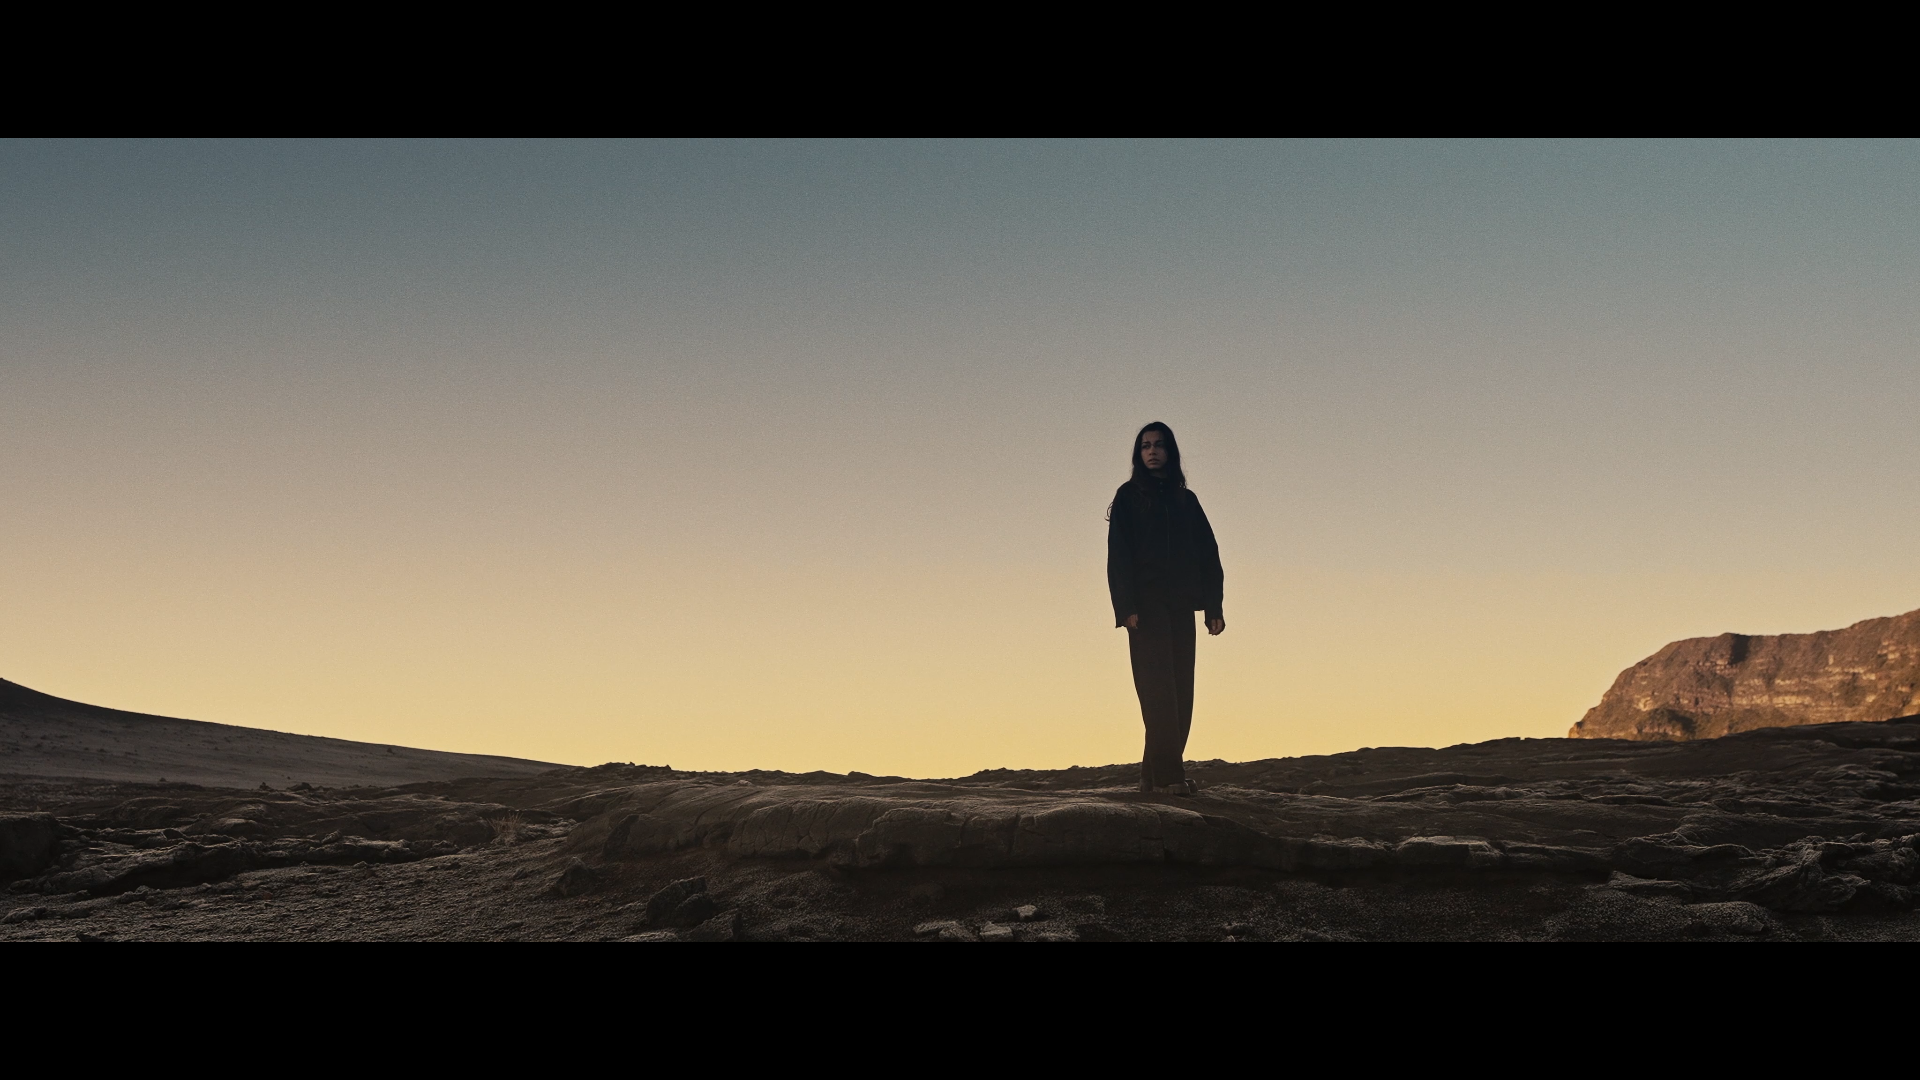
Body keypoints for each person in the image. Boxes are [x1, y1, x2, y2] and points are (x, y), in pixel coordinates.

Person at [1106, 422, 1225, 796]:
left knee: (1180, 694)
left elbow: (1208, 552)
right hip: (1145, 611)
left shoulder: (1186, 501)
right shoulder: (1128, 497)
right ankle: (1169, 778)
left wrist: (1213, 606)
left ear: (1170, 451)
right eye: (1145, 446)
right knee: (1157, 693)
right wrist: (1126, 607)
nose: (1152, 451)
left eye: (1158, 445)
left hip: (1180, 608)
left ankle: (1152, 776)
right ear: (1138, 454)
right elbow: (1118, 556)